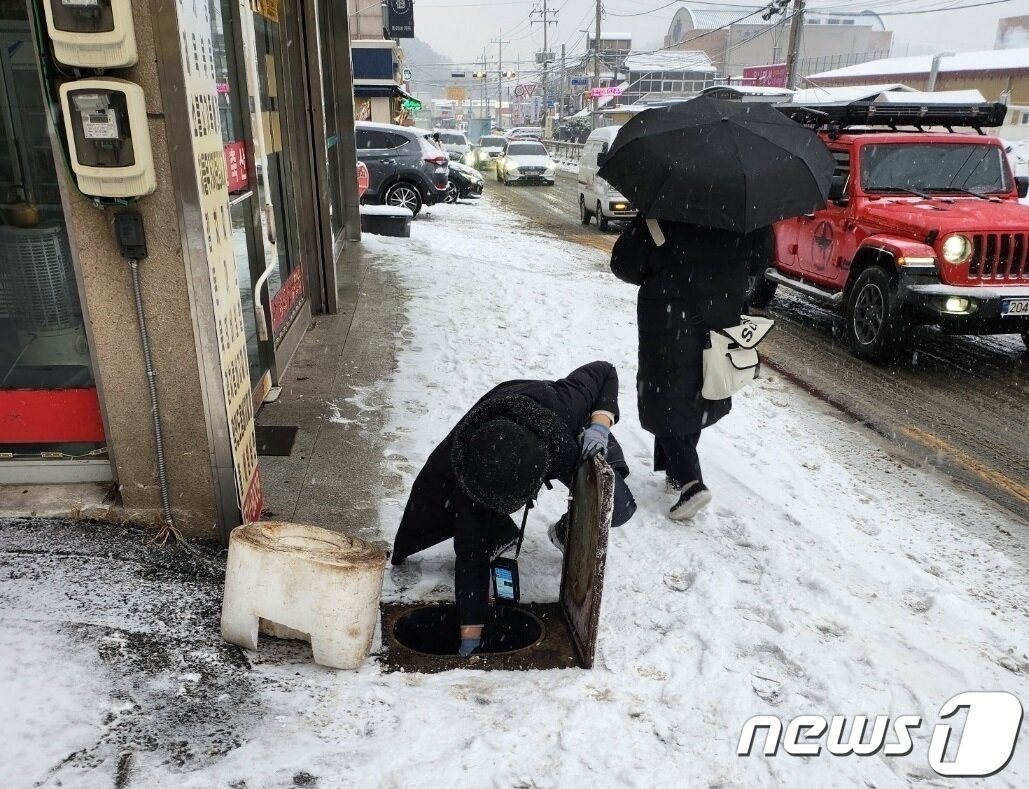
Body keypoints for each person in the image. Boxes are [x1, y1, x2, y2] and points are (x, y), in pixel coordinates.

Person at [390, 361, 637, 656]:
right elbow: (470, 555)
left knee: (616, 507)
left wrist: (599, 425)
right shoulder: (469, 464)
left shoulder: (566, 405)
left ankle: (566, 529)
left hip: (568, 431)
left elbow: (605, 371)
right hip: (497, 433)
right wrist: (471, 634)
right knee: (473, 528)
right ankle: (498, 530)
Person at [610, 217, 774, 520]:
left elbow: (624, 264)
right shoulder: (745, 207)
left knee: (664, 398)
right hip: (719, 314)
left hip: (668, 319)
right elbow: (761, 260)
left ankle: (690, 483)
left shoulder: (663, 207)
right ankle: (675, 472)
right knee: (702, 386)